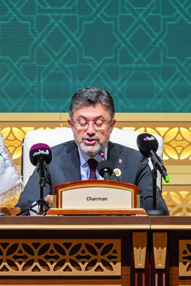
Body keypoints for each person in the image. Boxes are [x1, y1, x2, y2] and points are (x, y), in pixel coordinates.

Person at [15, 87, 168, 214]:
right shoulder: (51, 159)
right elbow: (23, 209)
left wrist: (72, 201)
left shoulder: (135, 160)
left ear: (112, 125)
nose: (90, 131)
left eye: (99, 123)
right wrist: (45, 205)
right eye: (82, 123)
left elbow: (157, 208)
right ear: (71, 124)